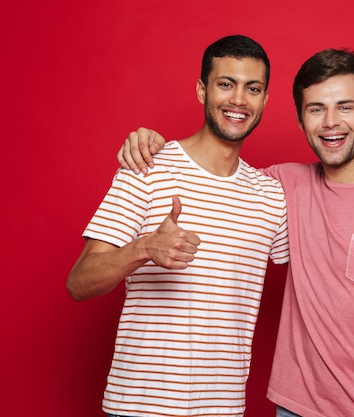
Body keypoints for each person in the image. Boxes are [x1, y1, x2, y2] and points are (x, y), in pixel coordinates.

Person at [118, 49, 354, 417]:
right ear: (300, 119)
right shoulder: (282, 186)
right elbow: (219, 173)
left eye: (345, 107)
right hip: (295, 408)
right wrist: (153, 145)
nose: (330, 122)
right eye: (316, 109)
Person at [67, 35, 289, 417]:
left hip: (222, 408)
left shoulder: (271, 196)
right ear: (202, 90)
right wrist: (143, 248)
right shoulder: (147, 168)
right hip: (138, 406)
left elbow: (318, 275)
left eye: (252, 88)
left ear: (265, 100)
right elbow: (78, 283)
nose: (239, 100)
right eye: (225, 84)